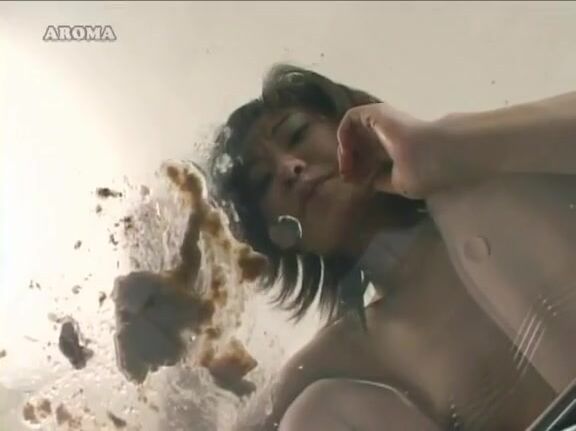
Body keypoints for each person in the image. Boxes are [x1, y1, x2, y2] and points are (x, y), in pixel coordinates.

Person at [209, 64, 576, 430]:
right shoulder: (350, 351)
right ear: (275, 238)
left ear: (351, 122)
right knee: (314, 414)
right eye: (263, 180)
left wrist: (437, 147)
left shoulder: (502, 185)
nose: (290, 168)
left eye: (298, 134)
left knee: (469, 201)